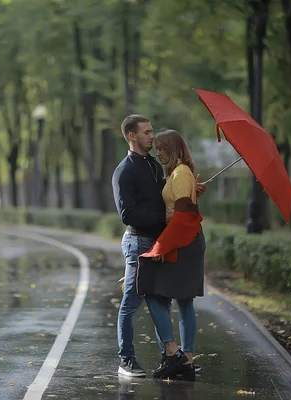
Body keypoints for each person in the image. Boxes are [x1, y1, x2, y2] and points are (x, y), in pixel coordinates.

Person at [111, 115, 208, 378]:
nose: (152, 137)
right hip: (138, 242)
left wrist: (190, 193)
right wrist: (162, 218)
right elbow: (127, 215)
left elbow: (168, 198)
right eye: (147, 132)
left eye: (152, 132)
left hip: (160, 242)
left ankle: (171, 357)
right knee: (132, 302)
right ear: (132, 136)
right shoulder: (124, 171)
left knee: (161, 300)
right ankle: (126, 359)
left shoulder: (154, 166)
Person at [139, 129, 207, 378]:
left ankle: (173, 354)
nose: (157, 153)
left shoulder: (180, 174)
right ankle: (185, 360)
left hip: (182, 242)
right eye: (156, 148)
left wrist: (161, 247)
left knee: (153, 293)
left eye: (161, 148)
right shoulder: (181, 173)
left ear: (173, 148)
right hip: (187, 240)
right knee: (184, 300)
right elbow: (185, 209)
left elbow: (181, 219)